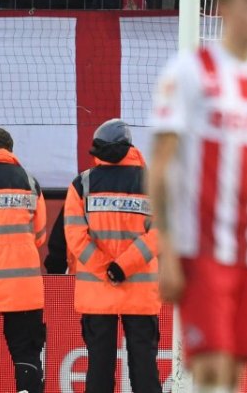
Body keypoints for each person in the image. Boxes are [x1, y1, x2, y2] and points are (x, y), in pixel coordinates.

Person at [148, 0, 247, 393]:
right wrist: (167, 250)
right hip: (200, 246)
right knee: (211, 365)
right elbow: (159, 166)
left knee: (235, 368)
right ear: (224, 8)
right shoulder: (189, 71)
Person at [64, 119, 162, 393]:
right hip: (140, 292)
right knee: (144, 368)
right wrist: (122, 267)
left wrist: (106, 269)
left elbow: (75, 237)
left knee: (99, 367)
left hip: (97, 292)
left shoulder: (82, 184)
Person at [0, 127, 47, 393]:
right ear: (10, 151)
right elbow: (40, 235)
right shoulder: (29, 182)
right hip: (23, 288)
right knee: (26, 356)